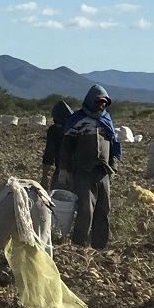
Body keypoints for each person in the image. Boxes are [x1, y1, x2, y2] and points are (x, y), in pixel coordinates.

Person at [60, 84, 121, 249]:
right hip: (83, 169)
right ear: (89, 101)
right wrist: (64, 169)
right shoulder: (78, 120)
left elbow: (114, 145)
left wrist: (113, 167)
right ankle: (80, 244)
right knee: (86, 208)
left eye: (103, 103)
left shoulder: (106, 120)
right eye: (98, 102)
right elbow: (66, 147)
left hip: (103, 171)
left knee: (103, 208)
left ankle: (99, 245)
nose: (100, 105)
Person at [39, 99, 74, 190]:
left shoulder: (54, 130)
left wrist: (44, 177)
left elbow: (49, 155)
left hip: (62, 172)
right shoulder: (78, 129)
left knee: (57, 201)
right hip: (80, 174)